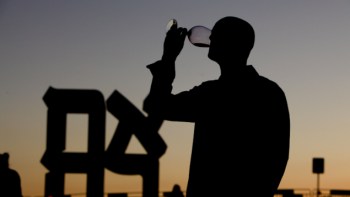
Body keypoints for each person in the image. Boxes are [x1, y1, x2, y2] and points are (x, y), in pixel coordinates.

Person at [143, 16, 290, 197]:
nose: (210, 38)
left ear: (233, 43)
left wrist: (169, 57)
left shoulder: (211, 94)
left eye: (216, 34)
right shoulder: (271, 92)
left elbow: (156, 105)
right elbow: (278, 158)